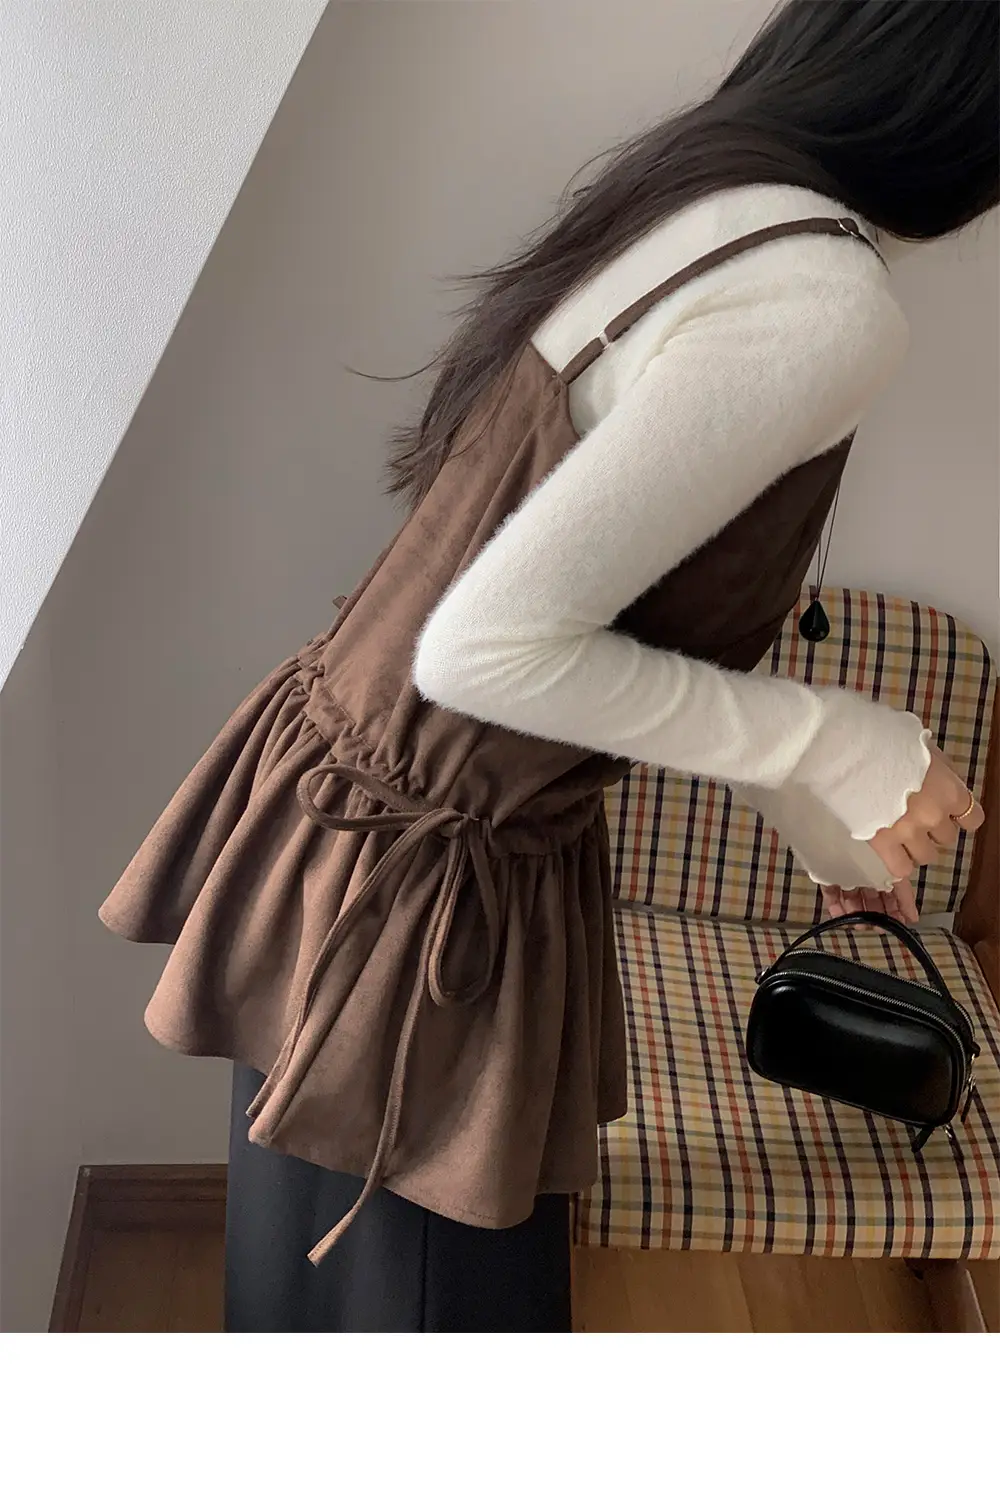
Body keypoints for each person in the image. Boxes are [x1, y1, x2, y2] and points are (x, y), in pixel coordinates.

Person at [100, 0, 998, 1333]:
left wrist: (814, 800)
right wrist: (839, 741)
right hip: (426, 911)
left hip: (361, 837)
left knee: (324, 1325)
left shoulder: (710, 197)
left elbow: (588, 619)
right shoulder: (823, 297)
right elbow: (489, 649)